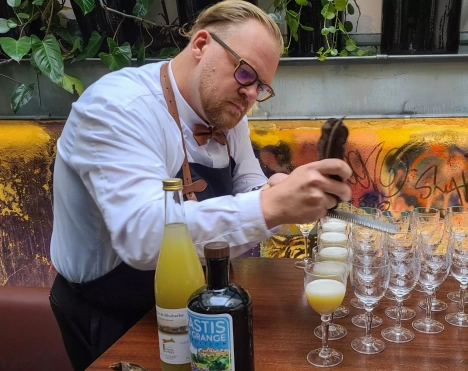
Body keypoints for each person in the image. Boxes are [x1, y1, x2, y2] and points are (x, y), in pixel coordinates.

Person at [48, 1, 352, 370]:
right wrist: (272, 207)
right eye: (245, 74)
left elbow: (249, 182)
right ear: (201, 44)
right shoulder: (117, 108)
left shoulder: (225, 111)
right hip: (119, 313)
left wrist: (273, 190)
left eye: (262, 86)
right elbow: (141, 236)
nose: (251, 95)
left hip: (205, 303)